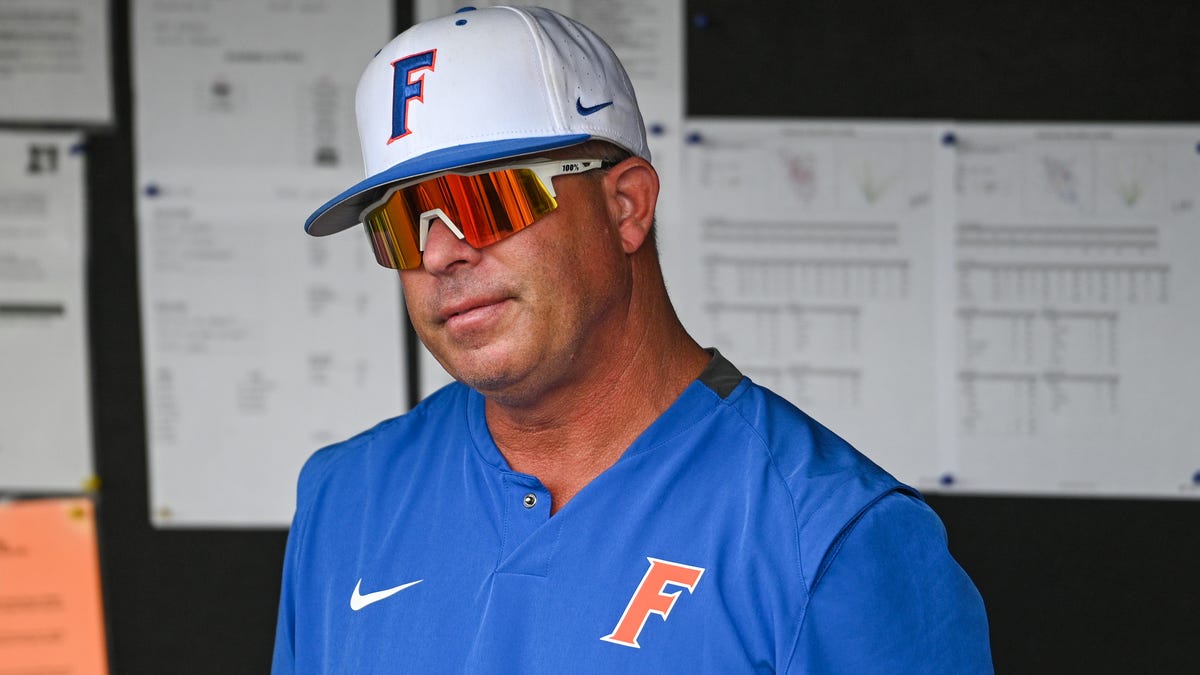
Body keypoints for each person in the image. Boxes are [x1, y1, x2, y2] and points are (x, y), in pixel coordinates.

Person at [272, 6, 992, 673]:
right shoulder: (346, 499)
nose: (439, 255)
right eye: (402, 222)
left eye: (483, 200)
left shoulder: (833, 538)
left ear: (625, 206)